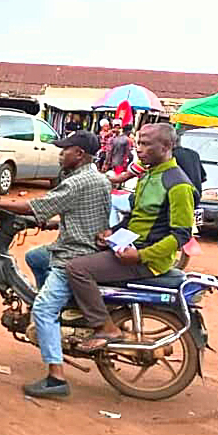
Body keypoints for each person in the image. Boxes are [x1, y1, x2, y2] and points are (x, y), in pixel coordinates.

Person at [0, 131, 111, 398]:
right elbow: (78, 212)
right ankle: (58, 305)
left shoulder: (77, 183)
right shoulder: (97, 178)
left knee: (41, 310)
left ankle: (56, 378)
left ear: (80, 154)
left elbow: (39, 204)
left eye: (66, 150)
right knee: (35, 256)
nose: (61, 154)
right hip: (84, 244)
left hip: (73, 255)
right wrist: (53, 222)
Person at [67, 123, 195, 352]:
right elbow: (136, 218)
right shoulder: (148, 175)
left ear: (166, 146)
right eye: (138, 143)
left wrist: (140, 256)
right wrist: (112, 233)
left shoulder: (178, 185)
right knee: (77, 251)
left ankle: (105, 327)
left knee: (77, 269)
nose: (139, 150)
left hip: (148, 260)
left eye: (146, 144)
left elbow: (180, 235)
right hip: (129, 246)